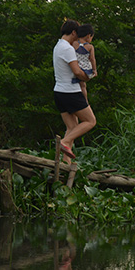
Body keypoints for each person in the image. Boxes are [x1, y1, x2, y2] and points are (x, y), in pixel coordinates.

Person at [53, 20, 95, 163]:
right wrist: (88, 77)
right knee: (90, 121)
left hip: (59, 91)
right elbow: (77, 72)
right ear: (73, 32)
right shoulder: (68, 48)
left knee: (72, 127)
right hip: (70, 92)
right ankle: (64, 142)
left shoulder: (58, 46)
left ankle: (65, 163)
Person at [72, 24, 97, 102]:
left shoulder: (74, 43)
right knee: (83, 86)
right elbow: (92, 59)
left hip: (76, 66)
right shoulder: (90, 47)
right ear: (89, 36)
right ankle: (85, 101)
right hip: (85, 68)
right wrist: (94, 70)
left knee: (78, 84)